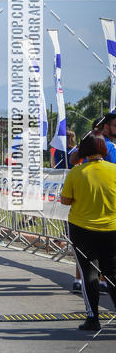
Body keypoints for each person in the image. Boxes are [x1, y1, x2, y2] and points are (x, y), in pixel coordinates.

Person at [60, 133, 116, 331]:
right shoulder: (114, 170)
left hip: (82, 229)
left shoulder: (76, 172)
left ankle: (93, 318)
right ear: (103, 149)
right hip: (112, 229)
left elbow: (65, 200)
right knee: (111, 273)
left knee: (89, 273)